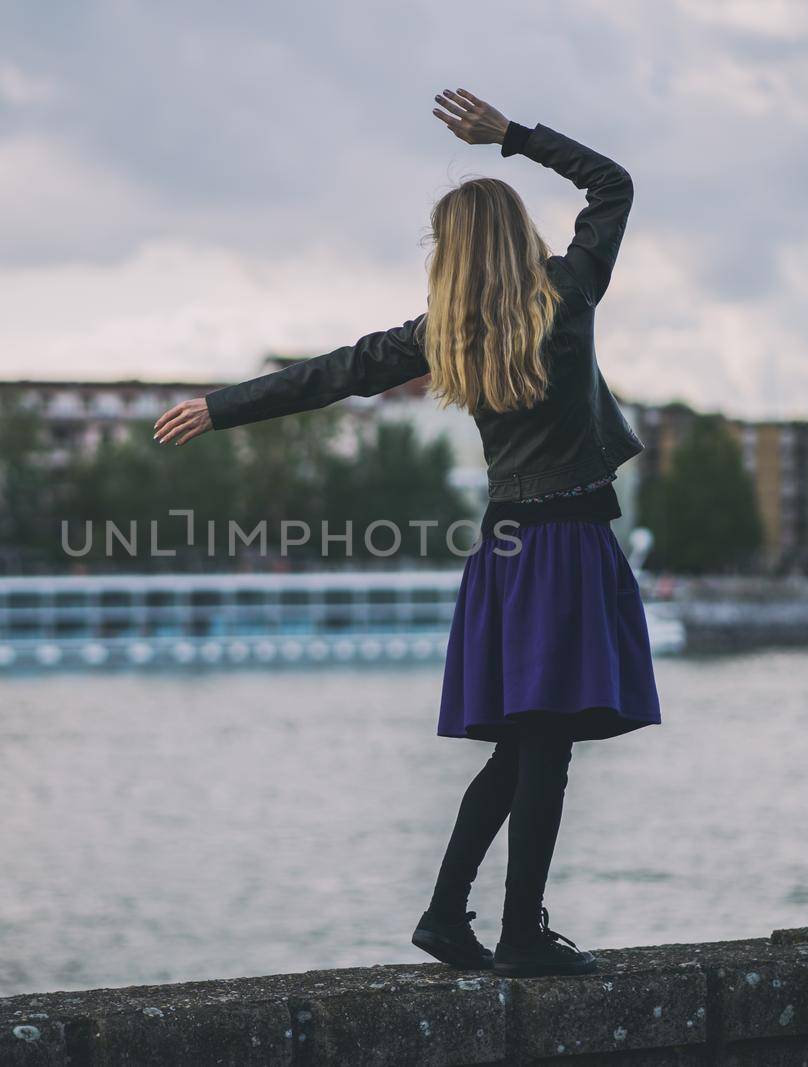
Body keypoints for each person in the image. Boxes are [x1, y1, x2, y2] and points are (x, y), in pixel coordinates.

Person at [153, 87, 661, 978]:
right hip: (567, 542)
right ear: (516, 237)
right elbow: (611, 186)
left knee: (525, 741)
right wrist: (511, 136)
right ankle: (520, 933)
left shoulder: (444, 333)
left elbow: (330, 375)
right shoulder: (566, 292)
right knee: (547, 744)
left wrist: (221, 406)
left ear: (454, 256)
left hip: (507, 551)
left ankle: (444, 917)